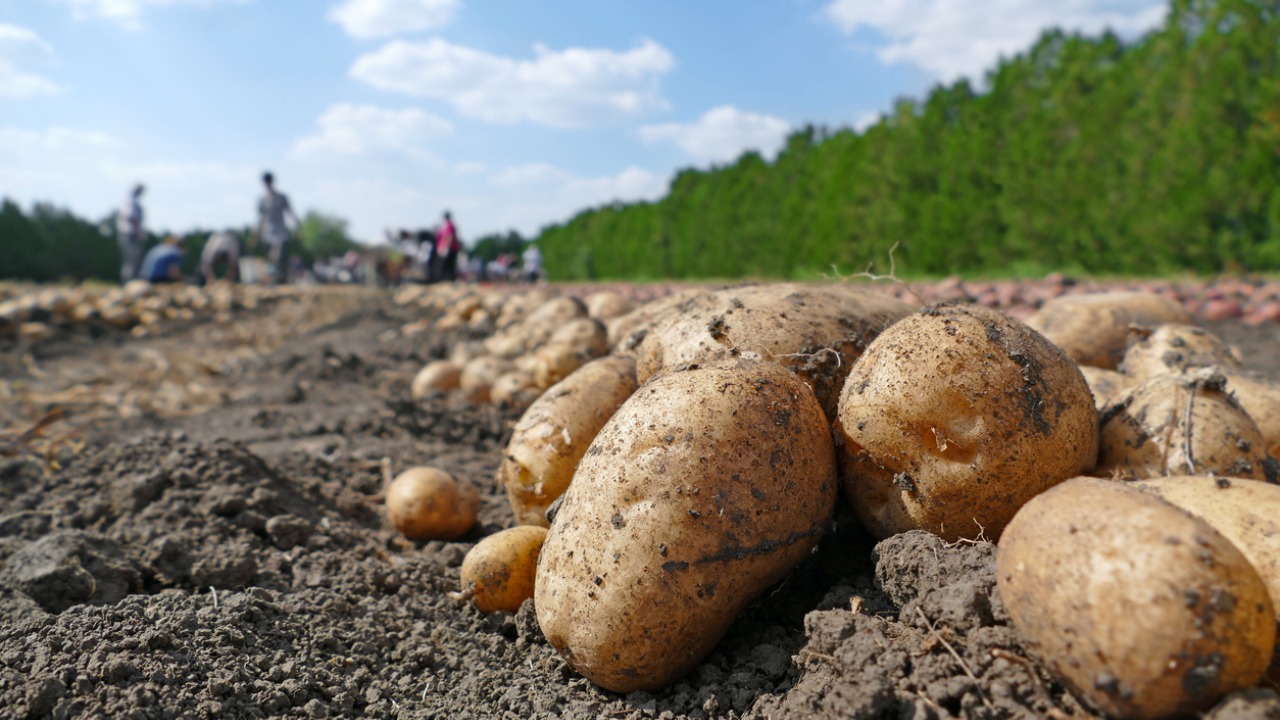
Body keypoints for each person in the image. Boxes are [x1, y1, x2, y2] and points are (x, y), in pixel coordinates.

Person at [255, 171, 299, 285]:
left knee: (279, 256)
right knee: (271, 258)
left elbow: (290, 212)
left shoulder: (281, 197)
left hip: (281, 231)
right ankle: (274, 279)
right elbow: (260, 218)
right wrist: (256, 233)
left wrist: (297, 226)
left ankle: (280, 279)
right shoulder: (262, 200)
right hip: (267, 233)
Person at [116, 183, 146, 282]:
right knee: (132, 261)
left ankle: (128, 282)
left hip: (127, 233)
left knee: (130, 261)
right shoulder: (131, 200)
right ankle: (129, 283)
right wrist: (139, 232)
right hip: (131, 234)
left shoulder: (129, 199)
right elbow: (132, 216)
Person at [434, 211, 461, 282]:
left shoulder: (448, 225)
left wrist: (444, 248)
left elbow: (448, 236)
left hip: (450, 248)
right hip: (448, 248)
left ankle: (449, 279)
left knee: (449, 265)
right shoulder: (444, 226)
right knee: (446, 265)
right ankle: (446, 279)